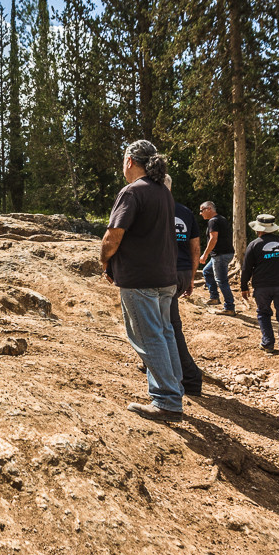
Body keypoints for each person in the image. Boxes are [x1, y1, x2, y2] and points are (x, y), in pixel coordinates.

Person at [101, 140, 183, 423]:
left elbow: (113, 235)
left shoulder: (131, 192)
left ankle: (167, 400)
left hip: (140, 279)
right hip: (165, 277)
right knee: (164, 332)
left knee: (149, 337)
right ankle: (175, 389)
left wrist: (104, 260)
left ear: (129, 162)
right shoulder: (163, 193)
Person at [240, 214, 279, 362]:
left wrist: (243, 286)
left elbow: (246, 268)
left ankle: (268, 344)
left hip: (262, 287)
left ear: (258, 229)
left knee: (264, 313)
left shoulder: (254, 245)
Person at [166, 174, 203, 394]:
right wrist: (190, 277)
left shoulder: (156, 209)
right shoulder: (186, 212)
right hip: (182, 273)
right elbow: (195, 248)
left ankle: (190, 377)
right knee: (164, 322)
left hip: (166, 275)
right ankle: (151, 363)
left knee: (170, 326)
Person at [198, 201, 236, 315]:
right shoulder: (222, 219)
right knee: (207, 272)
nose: (200, 213)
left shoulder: (213, 221)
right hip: (227, 254)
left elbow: (213, 239)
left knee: (221, 281)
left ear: (209, 209)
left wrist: (204, 254)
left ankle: (229, 307)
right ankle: (214, 297)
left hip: (220, 255)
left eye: (202, 210)